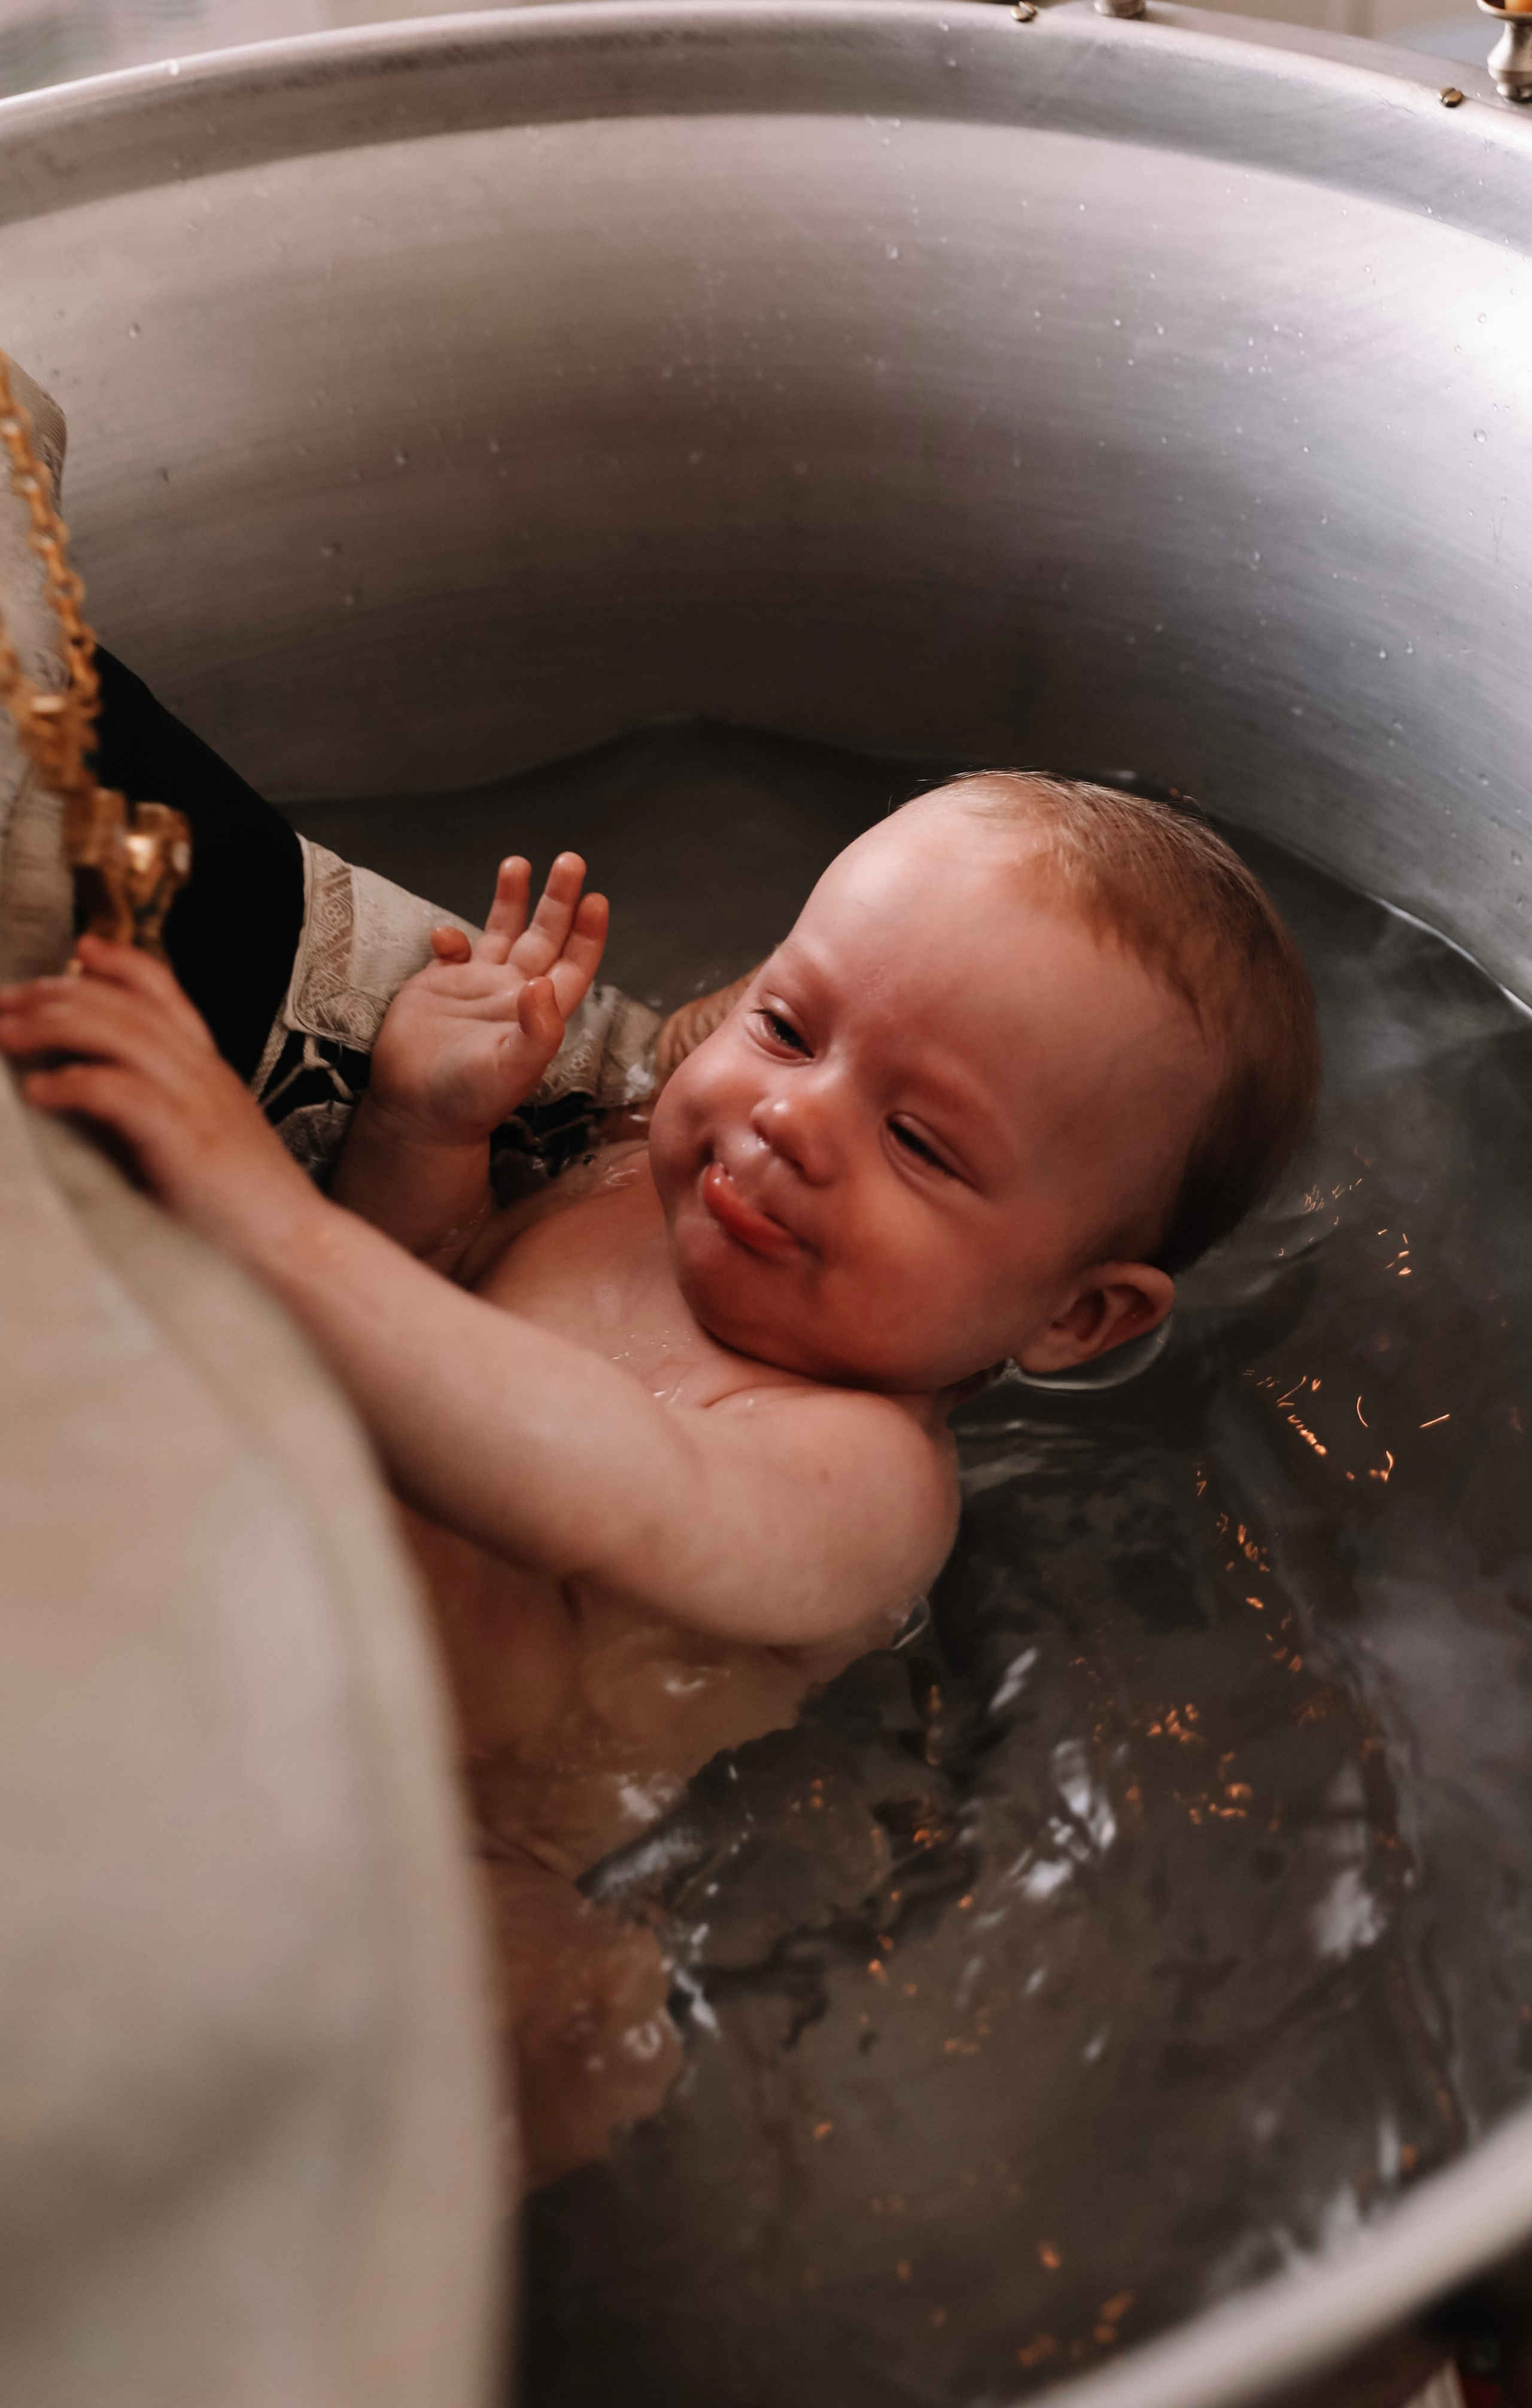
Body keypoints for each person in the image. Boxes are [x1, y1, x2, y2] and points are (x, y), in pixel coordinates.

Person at [0, 769, 1321, 2185]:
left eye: (920, 1142)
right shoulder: (630, 1184)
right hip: (202, 1635)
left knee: (577, 2018)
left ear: (1074, 1316)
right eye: (786, 1023)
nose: (790, 1120)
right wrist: (421, 1137)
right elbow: (411, 1305)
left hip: (431, 1829)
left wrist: (256, 1208)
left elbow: (591, 1479)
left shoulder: (864, 1479)